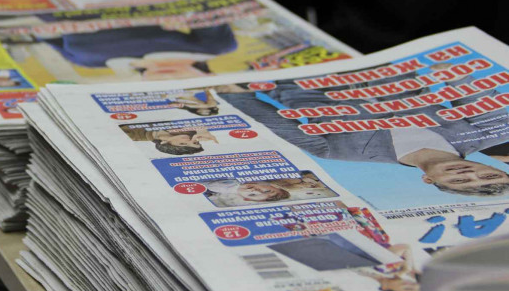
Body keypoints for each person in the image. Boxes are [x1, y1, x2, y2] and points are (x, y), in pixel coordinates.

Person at [214, 71, 509, 196]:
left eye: (460, 181)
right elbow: (474, 92)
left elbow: (270, 120)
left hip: (300, 77)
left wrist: (233, 92)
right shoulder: (490, 133)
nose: (469, 173)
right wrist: (455, 75)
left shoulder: (340, 152)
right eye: (487, 174)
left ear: (429, 180)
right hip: (382, 58)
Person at [354, 244, 421, 291]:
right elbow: (405, 247)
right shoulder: (392, 270)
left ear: (386, 288)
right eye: (414, 284)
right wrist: (410, 268)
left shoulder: (385, 271)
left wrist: (407, 267)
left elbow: (403, 247)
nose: (411, 284)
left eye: (408, 288)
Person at [120, 125, 218, 155]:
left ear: (164, 143)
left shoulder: (132, 135)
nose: (189, 139)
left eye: (183, 143)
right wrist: (202, 130)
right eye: (195, 142)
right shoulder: (189, 132)